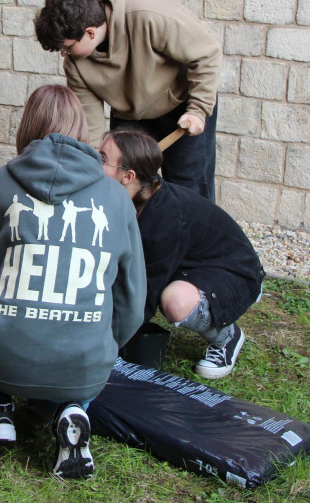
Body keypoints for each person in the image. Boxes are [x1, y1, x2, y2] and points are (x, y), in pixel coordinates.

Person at [0, 84, 145, 480]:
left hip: (1, 356)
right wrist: (106, 343)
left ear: (27, 127)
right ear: (83, 128)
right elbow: (132, 298)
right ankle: (73, 408)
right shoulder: (116, 196)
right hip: (85, 364)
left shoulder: (4, 181)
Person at [99, 127, 265, 379]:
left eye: (102, 159)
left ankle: (227, 337)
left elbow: (145, 294)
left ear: (127, 176)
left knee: (174, 302)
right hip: (188, 263)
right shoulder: (126, 200)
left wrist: (105, 346)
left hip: (233, 272)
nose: (94, 163)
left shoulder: (165, 219)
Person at [34, 0, 222, 201]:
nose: (64, 55)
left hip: (182, 108)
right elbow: (91, 126)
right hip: (130, 114)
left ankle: (193, 234)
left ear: (90, 32)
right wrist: (95, 168)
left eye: (67, 48)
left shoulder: (148, 14)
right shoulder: (76, 64)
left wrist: (198, 109)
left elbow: (207, 54)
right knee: (126, 185)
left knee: (187, 185)